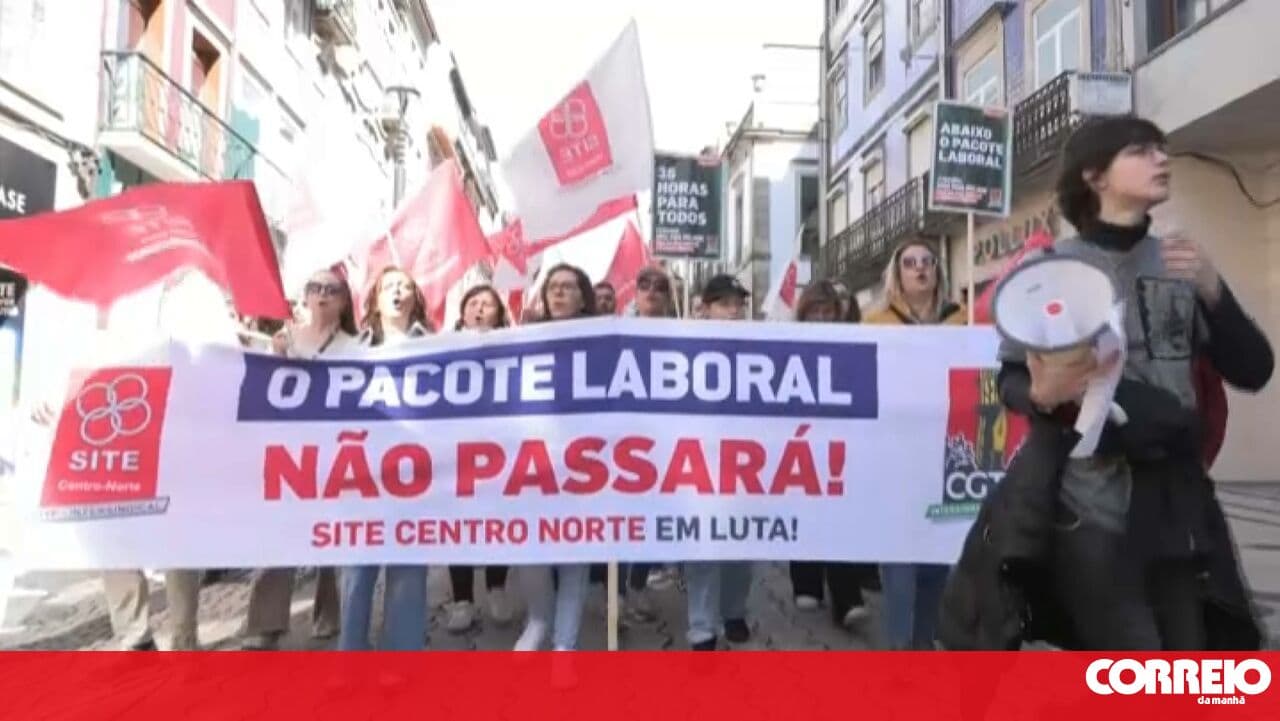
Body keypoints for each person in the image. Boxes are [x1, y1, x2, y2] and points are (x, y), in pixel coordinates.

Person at [984, 116, 1273, 650]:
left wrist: (1214, 293)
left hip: (1176, 506)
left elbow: (1254, 370)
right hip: (1091, 510)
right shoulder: (1050, 269)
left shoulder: (1182, 262)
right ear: (1095, 175)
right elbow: (1013, 378)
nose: (1162, 159)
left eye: (1162, 149)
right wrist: (1041, 396)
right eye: (1142, 151)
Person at [241, 267, 361, 650]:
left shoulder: (354, 347)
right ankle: (266, 624)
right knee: (279, 533)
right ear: (305, 297)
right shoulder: (282, 340)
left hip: (335, 451)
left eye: (331, 290)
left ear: (344, 301)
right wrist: (275, 358)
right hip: (289, 453)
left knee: (332, 535)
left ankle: (329, 616)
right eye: (315, 288)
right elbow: (259, 388)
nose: (322, 295)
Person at [864, 240, 966, 650]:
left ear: (938, 272)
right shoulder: (874, 322)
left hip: (947, 460)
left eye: (927, 262)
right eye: (910, 263)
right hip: (895, 460)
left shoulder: (963, 320)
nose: (920, 269)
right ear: (897, 274)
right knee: (900, 569)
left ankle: (923, 648)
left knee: (937, 568)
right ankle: (899, 656)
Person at [336, 267, 432, 651]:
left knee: (408, 568)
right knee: (358, 570)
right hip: (363, 473)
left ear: (415, 297)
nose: (396, 292)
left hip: (417, 473)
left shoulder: (436, 344)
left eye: (404, 286)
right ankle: (350, 652)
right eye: (388, 286)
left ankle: (402, 653)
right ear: (375, 298)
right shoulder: (353, 347)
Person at [514, 263, 596, 651]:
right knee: (530, 549)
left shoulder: (603, 337)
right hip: (532, 462)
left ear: (583, 297)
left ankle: (565, 644)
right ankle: (539, 619)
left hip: (586, 463)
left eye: (569, 286)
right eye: (554, 287)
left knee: (575, 555)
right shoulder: (525, 338)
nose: (560, 293)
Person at [786, 280, 874, 631]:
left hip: (841, 441)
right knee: (805, 509)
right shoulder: (787, 345)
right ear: (803, 314)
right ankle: (806, 584)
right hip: (802, 442)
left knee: (842, 517)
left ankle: (847, 597)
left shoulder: (854, 343)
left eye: (827, 311)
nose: (822, 317)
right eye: (815, 311)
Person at [685, 274, 756, 650]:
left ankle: (733, 612)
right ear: (706, 308)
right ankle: (701, 626)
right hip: (698, 458)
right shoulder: (685, 344)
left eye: (738, 303)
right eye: (725, 303)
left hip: (746, 461)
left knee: (742, 545)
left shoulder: (760, 343)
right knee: (702, 546)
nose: (734, 310)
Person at [444, 284, 515, 632]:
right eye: (473, 303)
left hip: (501, 452)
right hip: (457, 454)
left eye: (487, 304)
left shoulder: (514, 348)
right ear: (462, 313)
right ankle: (462, 601)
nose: (479, 309)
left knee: (498, 523)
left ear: (499, 314)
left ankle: (496, 589)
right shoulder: (441, 349)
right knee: (459, 528)